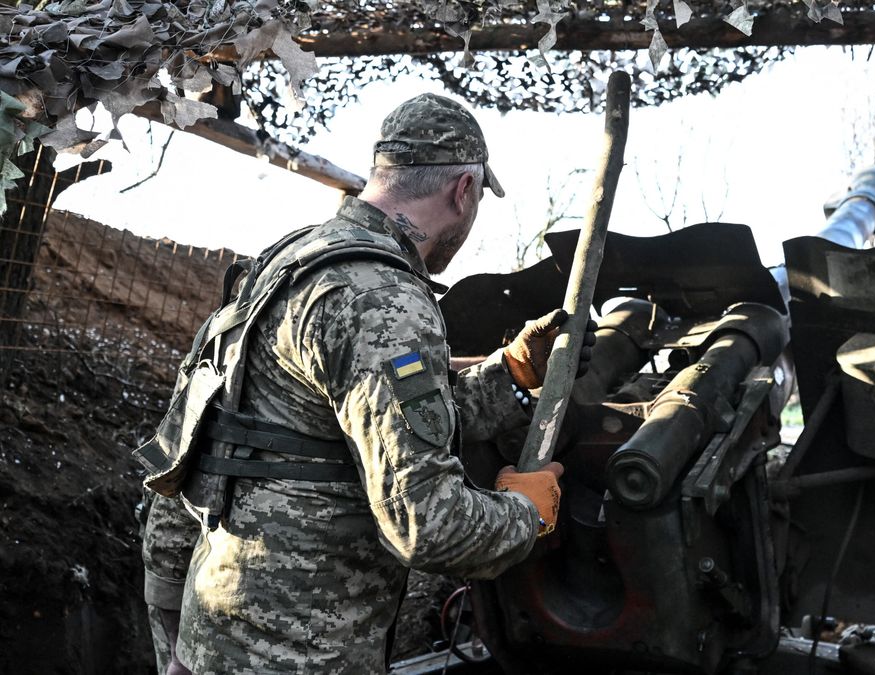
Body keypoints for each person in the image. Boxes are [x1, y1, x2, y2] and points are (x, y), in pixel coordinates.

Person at [137, 93, 590, 674]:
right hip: (306, 651)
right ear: (463, 190)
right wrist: (524, 513)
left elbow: (199, 450)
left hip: (215, 632)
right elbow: (428, 526)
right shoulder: (384, 301)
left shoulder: (287, 264)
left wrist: (513, 374)